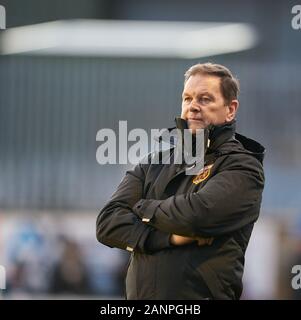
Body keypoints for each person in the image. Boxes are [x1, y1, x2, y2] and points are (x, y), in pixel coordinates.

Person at [96, 63, 265, 300]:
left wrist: (143, 207)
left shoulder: (243, 167)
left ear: (230, 109)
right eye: (187, 98)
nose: (193, 107)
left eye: (205, 99)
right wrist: (169, 238)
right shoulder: (154, 163)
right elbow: (107, 224)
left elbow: (197, 216)